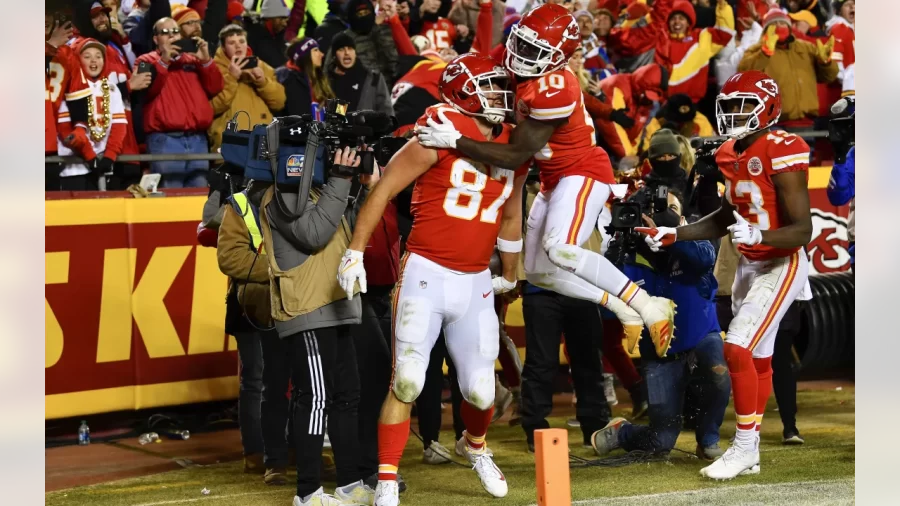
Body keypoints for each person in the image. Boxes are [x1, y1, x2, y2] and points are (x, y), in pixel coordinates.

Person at [416, 3, 676, 358]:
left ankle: (649, 305)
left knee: (562, 248)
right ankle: (620, 305)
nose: (521, 55)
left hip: (583, 170)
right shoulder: (523, 62)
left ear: (558, 58)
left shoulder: (556, 88)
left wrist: (455, 140)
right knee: (540, 274)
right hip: (555, 178)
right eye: (522, 43)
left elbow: (516, 154)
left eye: (534, 51)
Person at [337, 53, 526, 506]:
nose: (501, 94)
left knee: (481, 391)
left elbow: (513, 212)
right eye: (491, 85)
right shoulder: (436, 132)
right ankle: (386, 478)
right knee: (406, 380)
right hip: (427, 270)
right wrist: (354, 252)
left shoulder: (512, 143)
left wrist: (512, 274)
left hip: (476, 276)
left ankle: (474, 447)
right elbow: (383, 189)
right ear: (464, 91)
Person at [638, 69, 814, 480]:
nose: (734, 115)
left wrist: (762, 232)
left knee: (735, 346)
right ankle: (750, 450)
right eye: (729, 106)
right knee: (758, 356)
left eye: (743, 106)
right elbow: (727, 216)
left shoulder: (783, 147)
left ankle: (744, 445)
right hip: (751, 264)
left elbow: (803, 229)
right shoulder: (726, 153)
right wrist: (674, 233)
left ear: (767, 108)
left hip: (782, 261)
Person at [259, 143, 380, 504]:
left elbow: (352, 231)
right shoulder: (279, 194)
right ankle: (308, 492)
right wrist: (341, 179)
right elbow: (314, 234)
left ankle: (347, 483)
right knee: (316, 399)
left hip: (338, 304)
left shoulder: (322, 188)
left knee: (346, 397)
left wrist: (365, 185)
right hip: (307, 309)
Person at [591, 188, 730, 461]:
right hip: (659, 351)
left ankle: (708, 437)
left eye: (672, 209)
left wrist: (673, 238)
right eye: (654, 212)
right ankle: (623, 433)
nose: (664, 215)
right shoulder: (629, 257)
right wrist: (614, 257)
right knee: (660, 442)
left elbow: (705, 258)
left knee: (718, 369)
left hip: (702, 337)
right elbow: (607, 309)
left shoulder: (694, 235)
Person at [215, 179, 291, 484]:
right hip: (250, 304)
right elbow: (230, 256)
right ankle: (256, 453)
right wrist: (277, 267)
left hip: (288, 301)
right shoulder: (240, 202)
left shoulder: (298, 193)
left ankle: (291, 448)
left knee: (293, 380)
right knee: (257, 379)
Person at [134, 17, 224, 188]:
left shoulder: (193, 60)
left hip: (197, 139)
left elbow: (215, 88)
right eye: (165, 33)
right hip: (165, 140)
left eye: (175, 32)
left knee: (198, 196)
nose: (172, 36)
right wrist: (164, 62)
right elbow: (144, 91)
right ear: (155, 39)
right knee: (170, 193)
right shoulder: (144, 61)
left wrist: (205, 61)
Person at [738, 9, 838, 130]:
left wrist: (826, 63)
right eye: (774, 24)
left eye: (782, 23)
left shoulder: (807, 48)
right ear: (766, 30)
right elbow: (745, 76)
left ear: (790, 27)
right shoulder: (755, 50)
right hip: (774, 124)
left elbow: (828, 77)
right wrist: (764, 53)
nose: (779, 26)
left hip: (806, 122)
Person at [56, 38, 129, 191]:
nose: (94, 60)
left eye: (98, 56)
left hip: (103, 164)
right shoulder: (68, 86)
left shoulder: (112, 88)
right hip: (73, 168)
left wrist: (110, 156)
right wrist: (89, 156)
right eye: (87, 56)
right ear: (77, 60)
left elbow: (119, 126)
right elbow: (65, 128)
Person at [208, 24, 285, 153]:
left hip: (262, 144)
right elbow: (212, 107)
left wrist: (263, 82)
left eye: (242, 41)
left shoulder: (261, 66)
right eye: (232, 43)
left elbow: (279, 103)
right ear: (223, 47)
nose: (238, 46)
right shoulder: (214, 70)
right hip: (230, 146)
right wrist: (231, 78)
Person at [327, 32, 394, 115]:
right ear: (334, 55)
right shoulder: (326, 82)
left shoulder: (373, 79)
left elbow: (387, 112)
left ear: (355, 53)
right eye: (341, 49)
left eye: (350, 48)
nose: (347, 52)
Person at [276, 38, 335, 118]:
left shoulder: (320, 78)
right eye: (316, 50)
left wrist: (344, 115)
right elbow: (299, 115)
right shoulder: (291, 80)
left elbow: (334, 104)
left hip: (323, 128)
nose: (322, 54)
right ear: (305, 55)